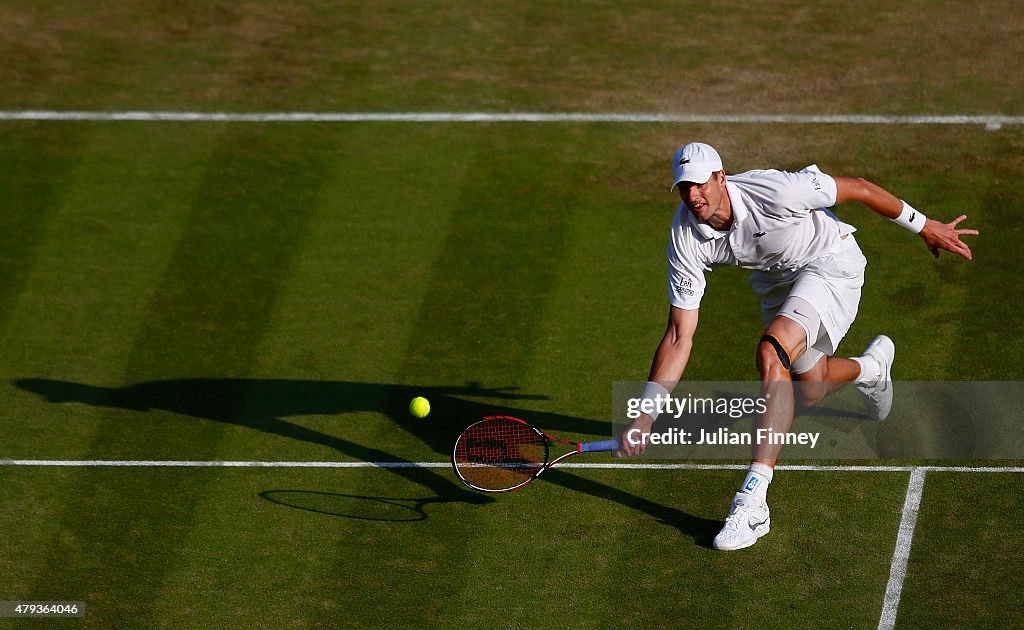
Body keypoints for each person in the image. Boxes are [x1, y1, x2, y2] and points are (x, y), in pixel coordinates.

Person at [614, 142, 977, 551]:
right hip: (778, 284)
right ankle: (871, 370)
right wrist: (646, 414)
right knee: (809, 387)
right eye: (684, 188)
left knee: (771, 352)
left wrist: (923, 224)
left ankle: (753, 502)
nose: (693, 197)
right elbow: (680, 336)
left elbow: (858, 187)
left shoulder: (777, 191)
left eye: (700, 185)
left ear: (721, 178)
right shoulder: (685, 237)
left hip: (829, 264)